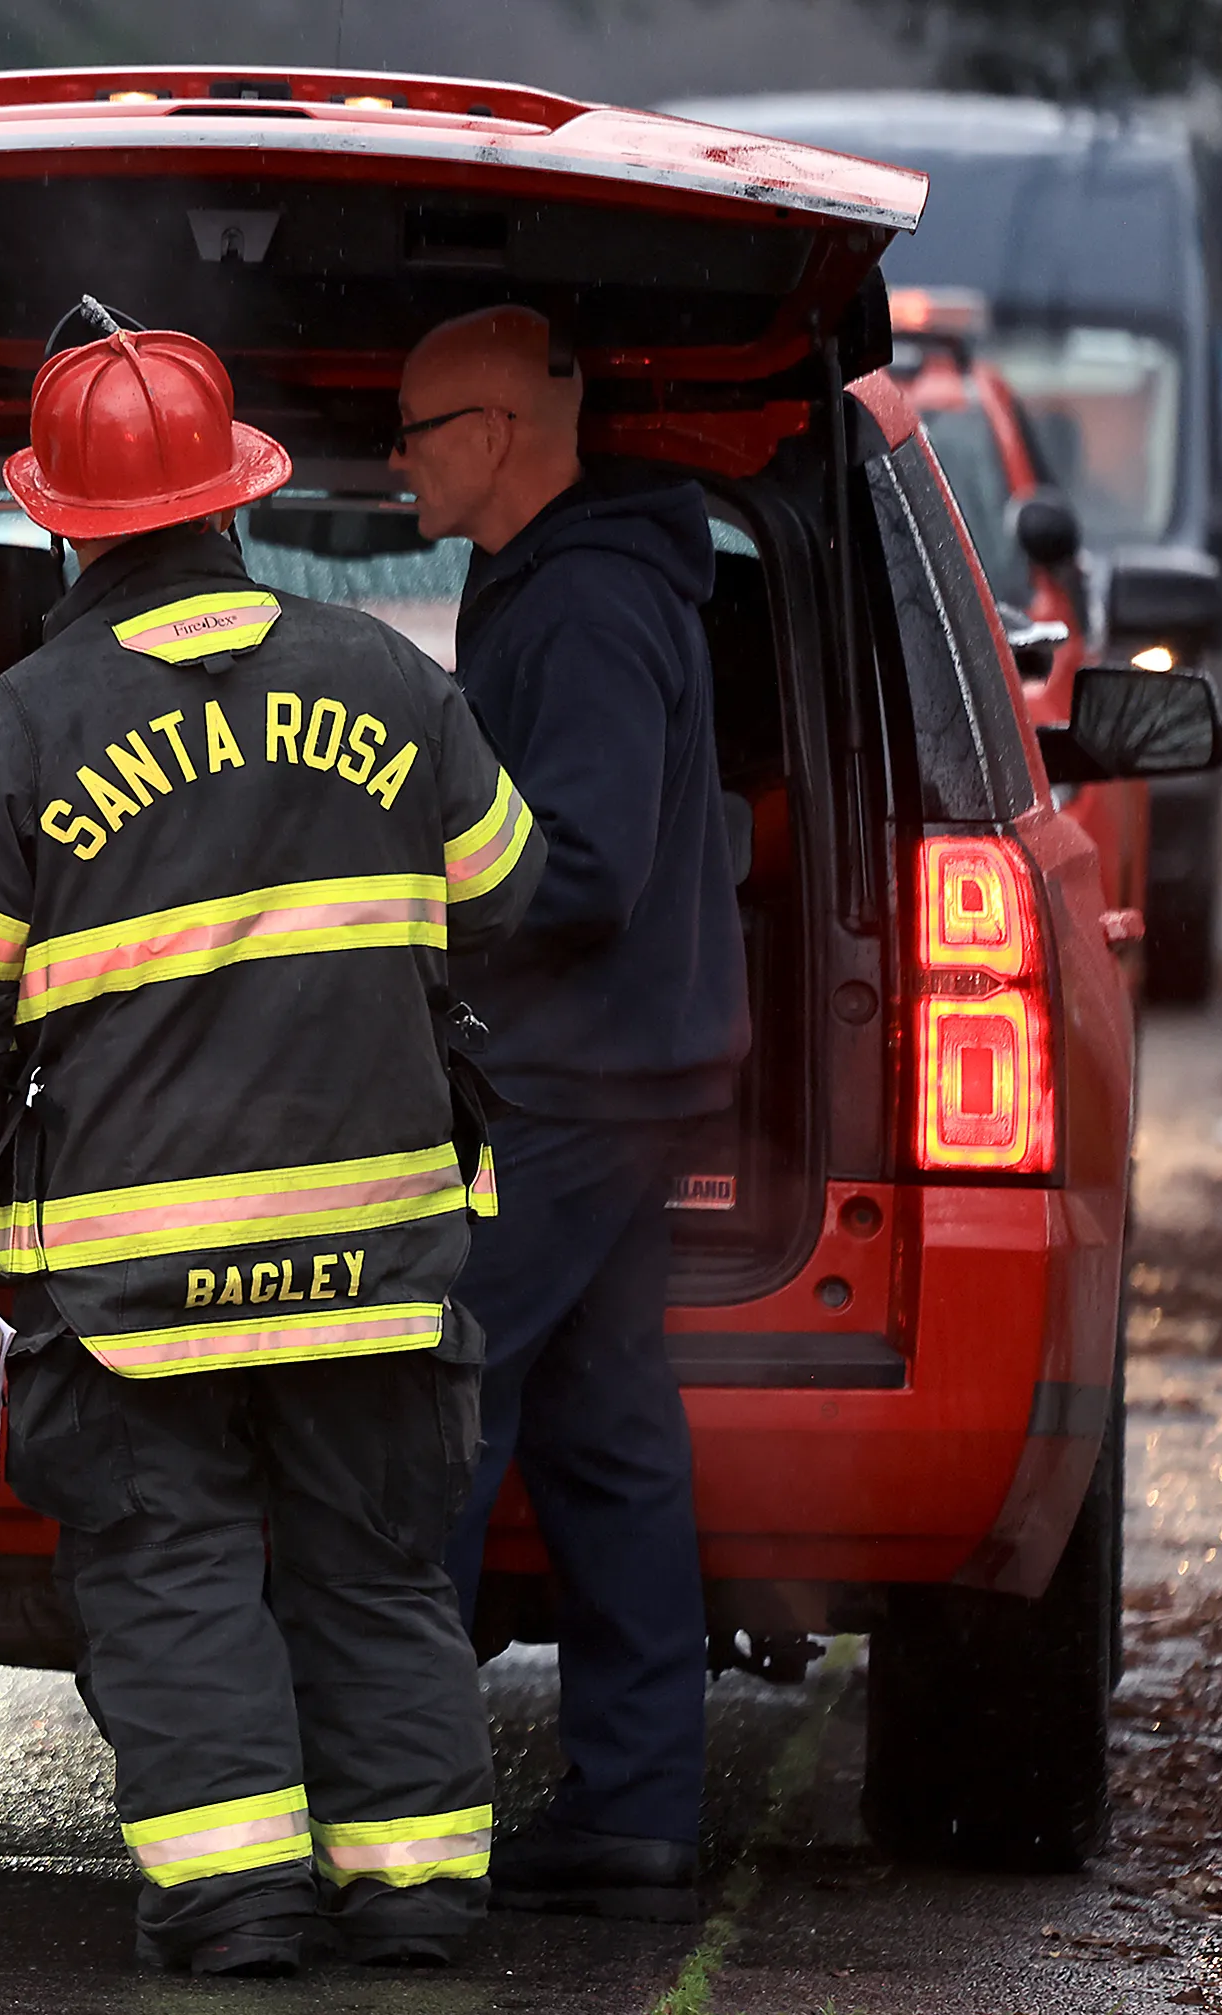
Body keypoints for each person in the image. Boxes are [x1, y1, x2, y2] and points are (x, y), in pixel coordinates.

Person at [0, 313, 540, 1976]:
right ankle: (415, 1893)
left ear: (63, 523)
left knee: (171, 1577)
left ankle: (239, 1902)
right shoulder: (388, 678)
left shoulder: (14, 732)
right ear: (238, 497)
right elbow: (512, 893)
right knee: (375, 1572)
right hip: (376, 1258)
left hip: (133, 1286)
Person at [388, 304, 747, 1921]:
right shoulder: (556, 577)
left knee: (435, 1409)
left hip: (572, 1084)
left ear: (492, 435)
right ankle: (638, 1808)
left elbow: (582, 863)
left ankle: (402, 1815)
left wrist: (406, 906)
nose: (396, 461)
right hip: (622, 1072)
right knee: (606, 1431)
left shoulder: (588, 602)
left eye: (411, 432)